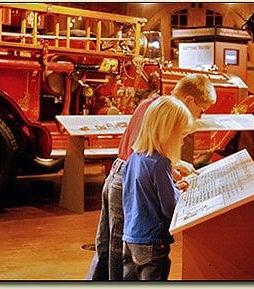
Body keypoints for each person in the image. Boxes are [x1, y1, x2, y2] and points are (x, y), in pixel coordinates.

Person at [87, 73, 217, 280]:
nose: (199, 116)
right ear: (190, 101)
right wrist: (169, 172)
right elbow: (152, 157)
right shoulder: (162, 111)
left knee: (108, 245)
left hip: (119, 173)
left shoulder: (151, 103)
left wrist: (172, 169)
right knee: (115, 250)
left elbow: (144, 152)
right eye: (200, 110)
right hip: (126, 182)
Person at [122, 96, 193, 280]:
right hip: (152, 241)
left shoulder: (134, 158)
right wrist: (180, 192)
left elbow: (139, 195)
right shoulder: (160, 163)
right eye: (181, 135)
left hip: (130, 238)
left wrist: (173, 186)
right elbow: (170, 208)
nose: (183, 142)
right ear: (169, 132)